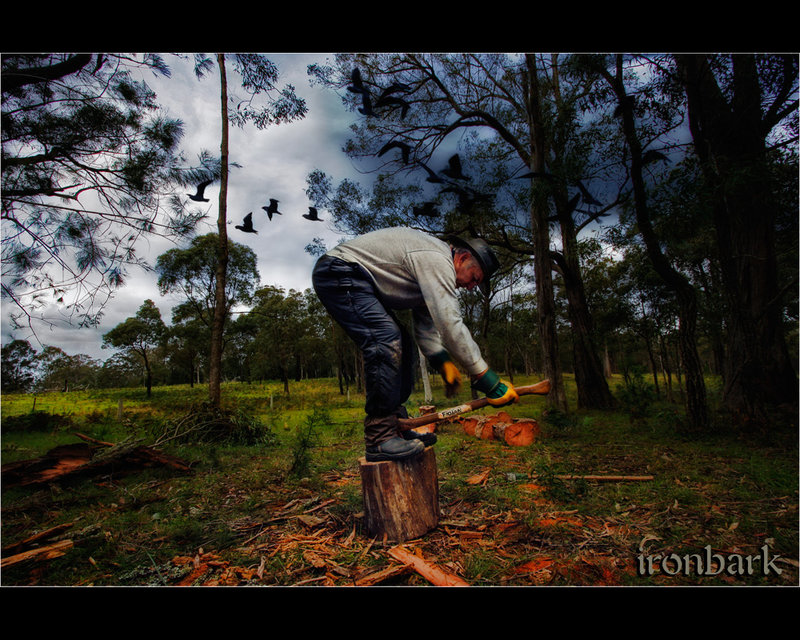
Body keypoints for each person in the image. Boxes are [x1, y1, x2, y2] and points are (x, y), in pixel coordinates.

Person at [312, 227, 518, 462]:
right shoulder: (437, 260)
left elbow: (426, 327)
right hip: (340, 271)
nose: (471, 287)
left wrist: (442, 362)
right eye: (474, 279)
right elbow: (450, 324)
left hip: (355, 277)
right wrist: (486, 377)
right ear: (462, 258)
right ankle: (379, 437)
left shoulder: (432, 271)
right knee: (386, 340)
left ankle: (396, 426)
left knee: (402, 344)